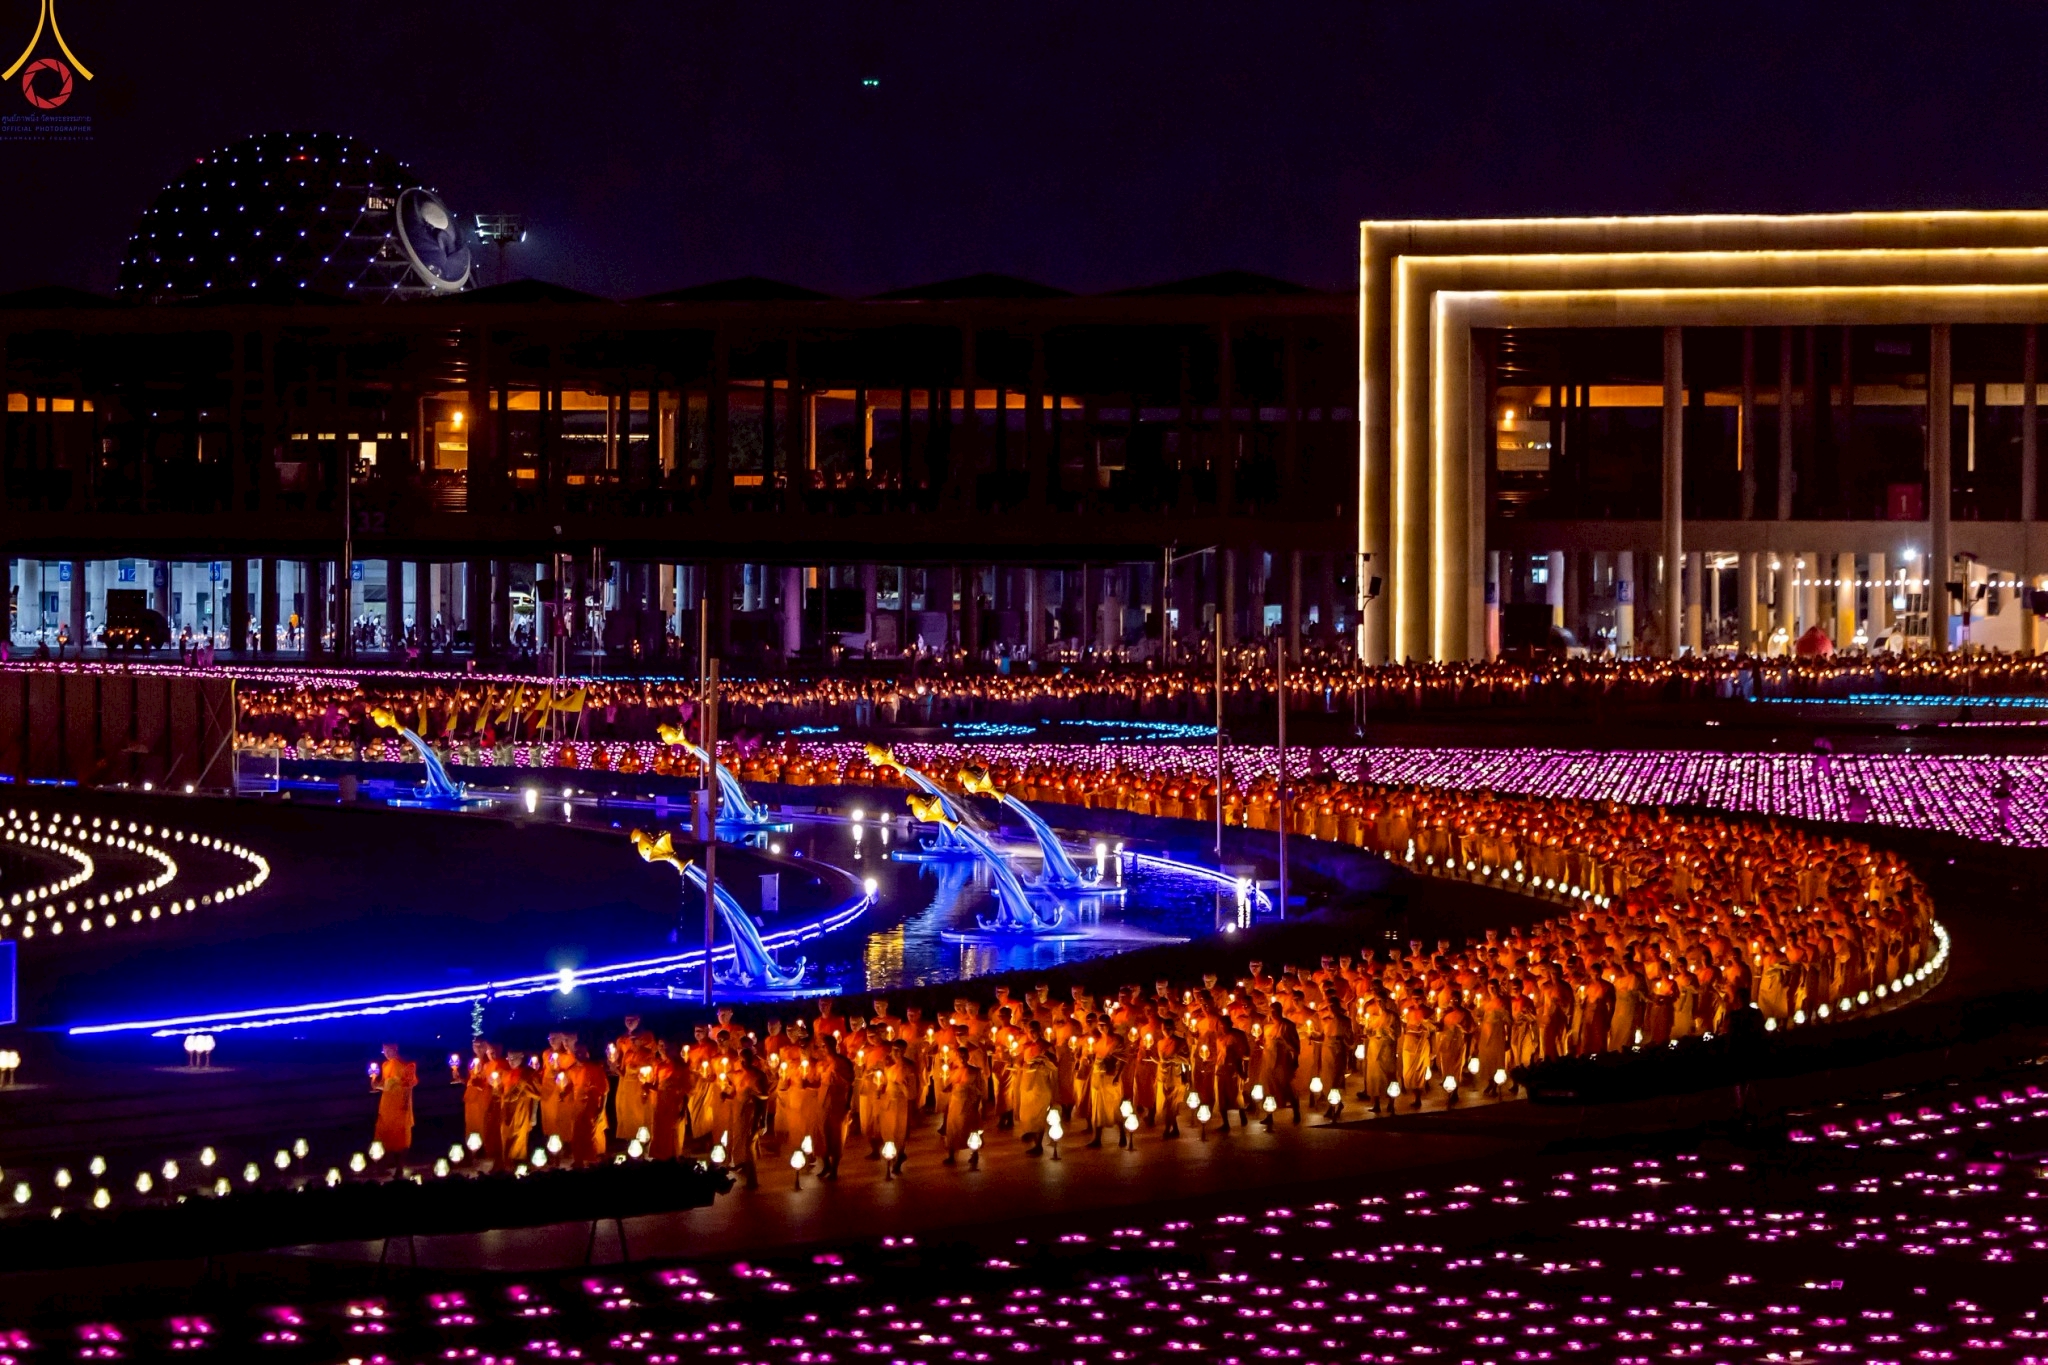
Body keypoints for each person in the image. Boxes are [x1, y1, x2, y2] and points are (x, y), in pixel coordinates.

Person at [373, 1043, 418, 1159]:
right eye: (384, 1051)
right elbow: (385, 1085)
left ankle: (400, 1165)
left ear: (395, 1049)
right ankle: (384, 1162)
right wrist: (375, 1084)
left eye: (388, 1050)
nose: (386, 1054)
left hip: (400, 1104)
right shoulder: (385, 1065)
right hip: (387, 1104)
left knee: (401, 1134)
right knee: (384, 1132)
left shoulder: (407, 1065)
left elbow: (408, 1086)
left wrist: (405, 1104)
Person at [499, 1049, 540, 1165]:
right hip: (506, 1110)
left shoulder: (528, 1073)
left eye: (514, 1058)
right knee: (505, 1136)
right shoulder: (505, 1072)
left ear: (521, 1058)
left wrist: (533, 1116)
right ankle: (506, 1162)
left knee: (519, 1137)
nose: (510, 1061)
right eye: (509, 1058)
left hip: (521, 1109)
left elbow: (537, 1094)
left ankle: (518, 1162)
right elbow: (500, 1091)